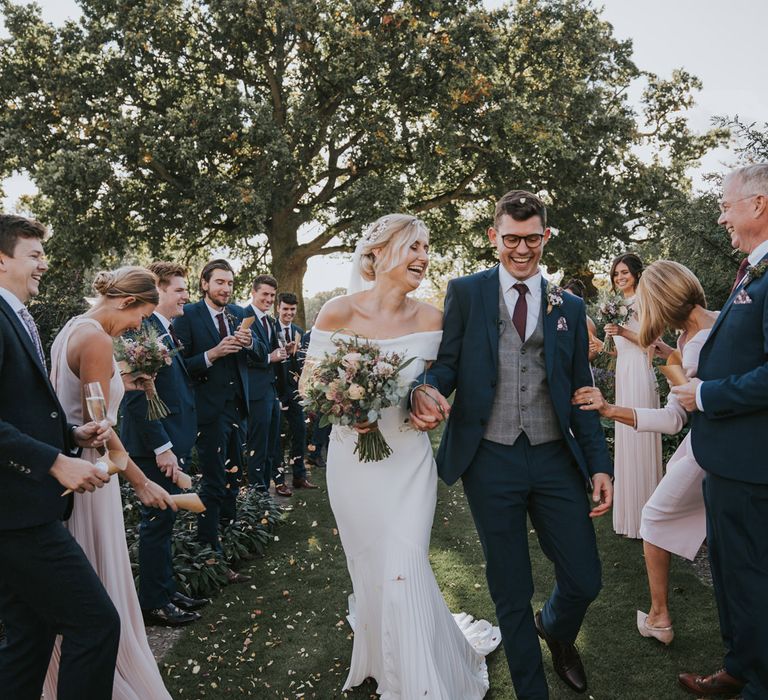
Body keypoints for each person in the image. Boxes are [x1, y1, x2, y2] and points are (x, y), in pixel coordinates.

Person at [411, 190, 613, 699]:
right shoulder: (466, 292)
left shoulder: (568, 303)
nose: (521, 250)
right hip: (489, 457)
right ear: (493, 237)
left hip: (553, 456)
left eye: (531, 239)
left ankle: (557, 628)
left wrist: (599, 465)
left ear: (545, 236)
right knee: (510, 586)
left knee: (585, 577)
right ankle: (531, 691)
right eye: (511, 239)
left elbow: (581, 393)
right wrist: (426, 388)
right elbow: (448, 363)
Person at [304, 214, 501, 699]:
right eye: (414, 247)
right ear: (380, 252)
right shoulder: (336, 312)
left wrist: (431, 401)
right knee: (371, 565)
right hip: (353, 461)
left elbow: (441, 383)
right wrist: (347, 408)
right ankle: (384, 657)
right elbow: (309, 385)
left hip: (408, 462)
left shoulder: (434, 318)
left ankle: (418, 684)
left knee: (406, 562)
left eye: (426, 248)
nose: (423, 257)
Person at [43, 265, 177, 700]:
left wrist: (129, 382)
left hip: (78, 460)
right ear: (125, 302)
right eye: (139, 316)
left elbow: (85, 396)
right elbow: (98, 423)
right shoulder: (98, 338)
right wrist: (140, 482)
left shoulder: (74, 329)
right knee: (97, 576)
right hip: (90, 469)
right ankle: (105, 677)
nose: (139, 326)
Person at [0, 214, 118, 700]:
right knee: (96, 623)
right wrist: (53, 460)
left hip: (21, 508)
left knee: (30, 636)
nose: (44, 264)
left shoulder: (15, 315)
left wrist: (71, 433)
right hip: (17, 513)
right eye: (34, 254)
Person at [572, 260, 718, 646]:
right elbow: (676, 409)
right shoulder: (706, 329)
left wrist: (609, 410)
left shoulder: (702, 341)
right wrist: (669, 355)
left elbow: (674, 418)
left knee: (653, 517)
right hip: (707, 445)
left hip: (713, 448)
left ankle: (660, 617)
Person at [674, 164, 768, 700]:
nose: (721, 214)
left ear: (757, 206)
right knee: (732, 575)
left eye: (727, 204)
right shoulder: (752, 269)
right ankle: (737, 666)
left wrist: (706, 394)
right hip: (727, 460)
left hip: (753, 464)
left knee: (754, 578)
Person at [120, 261, 208, 626]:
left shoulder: (163, 328)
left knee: (166, 519)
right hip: (155, 444)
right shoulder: (142, 331)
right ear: (156, 292)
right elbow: (139, 397)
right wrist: (162, 448)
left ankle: (167, 589)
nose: (186, 296)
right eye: (179, 290)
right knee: (156, 522)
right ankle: (154, 601)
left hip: (173, 440)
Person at [172, 259, 261, 581]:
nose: (226, 288)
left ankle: (230, 542)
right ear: (205, 283)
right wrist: (214, 354)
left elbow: (261, 351)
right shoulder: (188, 315)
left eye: (230, 283)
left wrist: (250, 343)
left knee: (235, 479)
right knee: (213, 482)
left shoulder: (239, 314)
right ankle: (211, 555)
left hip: (238, 410)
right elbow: (179, 367)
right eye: (220, 282)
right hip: (207, 413)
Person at [604, 253, 662, 539]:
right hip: (624, 372)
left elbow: (651, 341)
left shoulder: (644, 299)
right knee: (626, 438)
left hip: (640, 371)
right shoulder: (619, 305)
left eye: (624, 272)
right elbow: (622, 349)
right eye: (616, 274)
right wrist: (608, 340)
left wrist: (622, 331)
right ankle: (628, 516)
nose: (619, 277)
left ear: (636, 273)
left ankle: (647, 517)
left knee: (640, 434)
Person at [242, 275, 286, 495]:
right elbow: (242, 356)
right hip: (254, 392)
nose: (268, 299)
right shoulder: (243, 316)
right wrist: (270, 357)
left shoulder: (270, 321)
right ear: (253, 292)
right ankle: (256, 495)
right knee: (257, 447)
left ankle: (266, 494)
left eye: (272, 295)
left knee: (271, 445)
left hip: (271, 390)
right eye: (265, 294)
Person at [275, 291, 316, 490]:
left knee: (299, 432)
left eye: (292, 309)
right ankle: (280, 481)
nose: (289, 313)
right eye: (285, 309)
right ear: (278, 308)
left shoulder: (299, 331)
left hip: (294, 392)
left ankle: (299, 476)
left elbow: (302, 363)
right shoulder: (269, 328)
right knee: (277, 438)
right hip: (274, 390)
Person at [561, 278, 603, 361]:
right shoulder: (559, 319)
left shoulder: (586, 322)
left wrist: (574, 365)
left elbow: (593, 353)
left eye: (570, 298)